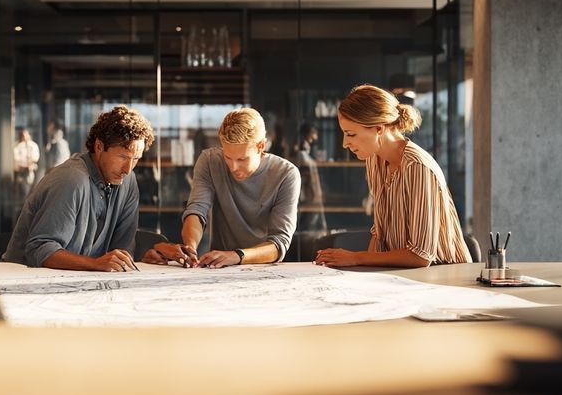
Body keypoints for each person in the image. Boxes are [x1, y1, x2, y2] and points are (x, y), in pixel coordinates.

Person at [315, 84, 470, 268]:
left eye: (351, 134)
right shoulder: (374, 159)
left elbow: (420, 256)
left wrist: (356, 258)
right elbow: (379, 232)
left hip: (443, 278)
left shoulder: (417, 167)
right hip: (402, 276)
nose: (345, 143)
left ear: (379, 129)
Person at [144, 108, 300, 268]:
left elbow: (279, 243)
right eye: (227, 157)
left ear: (261, 146)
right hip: (218, 267)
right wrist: (190, 248)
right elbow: (197, 210)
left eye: (242, 159)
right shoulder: (210, 161)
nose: (233, 167)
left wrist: (236, 256)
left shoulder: (286, 174)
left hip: (265, 269)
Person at [3, 106, 155, 271]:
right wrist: (96, 264)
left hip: (82, 285)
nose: (128, 168)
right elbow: (40, 249)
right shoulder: (71, 180)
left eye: (136, 159)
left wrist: (152, 252)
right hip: (23, 284)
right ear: (98, 146)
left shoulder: (127, 181)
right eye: (122, 157)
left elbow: (122, 251)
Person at [296, 122, 327, 234]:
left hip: (311, 192)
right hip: (308, 192)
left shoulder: (306, 153)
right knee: (309, 219)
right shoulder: (302, 155)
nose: (316, 136)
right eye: (314, 132)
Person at [12, 127, 41, 199]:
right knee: (22, 192)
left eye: (26, 134)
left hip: (30, 172)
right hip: (20, 172)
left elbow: (35, 158)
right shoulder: (17, 145)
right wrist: (24, 165)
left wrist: (30, 164)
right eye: (22, 134)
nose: (24, 136)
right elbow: (16, 158)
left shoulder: (33, 145)